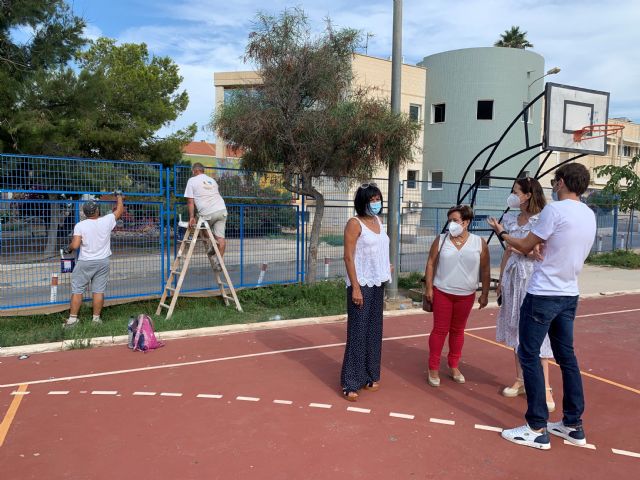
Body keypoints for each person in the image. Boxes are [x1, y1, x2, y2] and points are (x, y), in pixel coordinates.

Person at [488, 163, 596, 450]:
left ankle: (536, 427)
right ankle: (573, 424)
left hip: (543, 293)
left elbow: (524, 246)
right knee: (567, 358)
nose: (553, 185)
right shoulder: (588, 214)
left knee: (528, 352)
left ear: (561, 182)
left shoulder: (555, 211)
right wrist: (536, 247)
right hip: (569, 293)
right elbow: (552, 246)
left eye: (555, 180)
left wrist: (503, 234)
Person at [496, 177, 556, 412]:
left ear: (528, 194)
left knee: (536, 333)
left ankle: (546, 388)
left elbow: (540, 253)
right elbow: (509, 252)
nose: (512, 195)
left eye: (516, 191)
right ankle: (521, 379)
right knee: (514, 327)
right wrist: (501, 280)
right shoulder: (511, 218)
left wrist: (524, 250)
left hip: (532, 279)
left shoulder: (543, 219)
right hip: (513, 277)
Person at [423, 205, 490, 387]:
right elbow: (430, 263)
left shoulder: (479, 242)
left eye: (455, 220)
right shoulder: (441, 239)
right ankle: (433, 367)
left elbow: (485, 269)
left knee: (458, 331)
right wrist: (429, 288)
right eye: (449, 220)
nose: (451, 224)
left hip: (466, 294)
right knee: (440, 330)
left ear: (466, 222)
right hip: (442, 291)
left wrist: (484, 293)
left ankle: (453, 365)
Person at [341, 183, 392, 402]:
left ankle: (371, 375)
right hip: (361, 284)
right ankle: (350, 382)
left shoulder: (378, 221)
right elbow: (349, 257)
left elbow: (380, 249)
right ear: (363, 201)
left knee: (374, 331)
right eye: (372, 200)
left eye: (378, 199)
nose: (376, 203)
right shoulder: (354, 223)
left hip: (377, 283)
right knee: (357, 334)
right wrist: (355, 287)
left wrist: (385, 267)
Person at [64, 192, 125, 327]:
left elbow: (75, 245)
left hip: (86, 262)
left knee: (78, 290)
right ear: (97, 210)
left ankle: (73, 320)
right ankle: (96, 320)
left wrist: (68, 248)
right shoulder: (107, 220)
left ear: (85, 213)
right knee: (98, 290)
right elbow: (120, 210)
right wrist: (119, 196)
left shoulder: (80, 225)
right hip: (103, 261)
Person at [184, 163, 227, 269]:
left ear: (194, 171)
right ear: (203, 170)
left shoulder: (192, 180)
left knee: (202, 227)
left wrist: (191, 217)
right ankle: (219, 263)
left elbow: (190, 201)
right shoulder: (212, 180)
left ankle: (214, 244)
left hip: (208, 211)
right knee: (221, 238)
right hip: (222, 210)